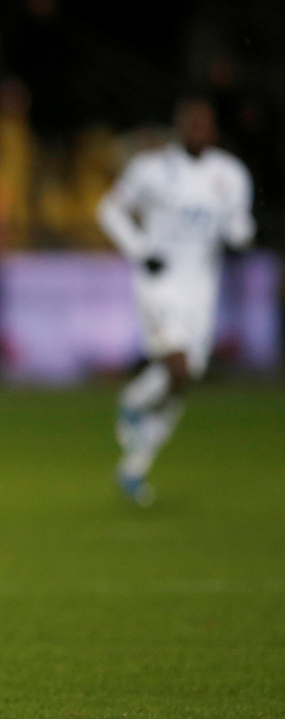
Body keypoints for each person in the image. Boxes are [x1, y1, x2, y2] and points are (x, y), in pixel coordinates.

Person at [97, 96, 254, 505]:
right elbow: (109, 210)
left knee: (183, 381)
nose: (199, 131)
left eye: (205, 125)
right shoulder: (150, 169)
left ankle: (134, 467)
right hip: (161, 279)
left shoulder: (231, 174)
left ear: (214, 131)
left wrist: (241, 234)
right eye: (192, 124)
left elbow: (239, 224)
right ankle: (133, 403)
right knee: (177, 366)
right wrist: (138, 250)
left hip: (202, 286)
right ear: (179, 128)